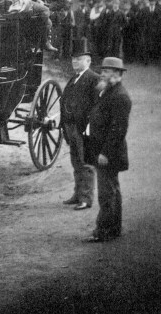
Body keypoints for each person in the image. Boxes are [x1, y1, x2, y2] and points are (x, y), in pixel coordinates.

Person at [85, 57, 131, 243]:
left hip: (108, 153)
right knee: (112, 189)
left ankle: (103, 231)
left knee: (106, 193)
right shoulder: (106, 91)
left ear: (117, 74)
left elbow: (118, 130)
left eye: (106, 72)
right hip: (103, 150)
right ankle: (114, 228)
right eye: (102, 71)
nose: (102, 74)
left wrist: (105, 152)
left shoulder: (120, 96)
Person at [60, 38, 100, 211]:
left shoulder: (94, 79)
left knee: (86, 163)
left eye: (79, 58)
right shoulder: (73, 80)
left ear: (88, 61)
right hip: (71, 127)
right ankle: (77, 194)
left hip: (84, 128)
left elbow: (97, 106)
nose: (75, 61)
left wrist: (90, 128)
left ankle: (86, 198)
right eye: (73, 59)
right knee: (76, 162)